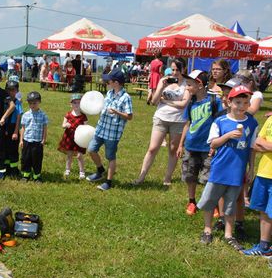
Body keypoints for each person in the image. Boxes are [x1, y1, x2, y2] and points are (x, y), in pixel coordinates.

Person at [196, 85, 258, 248]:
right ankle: (207, 229)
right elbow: (213, 143)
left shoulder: (252, 123)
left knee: (231, 203)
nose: (242, 106)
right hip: (219, 169)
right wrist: (229, 135)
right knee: (210, 200)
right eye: (238, 102)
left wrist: (251, 168)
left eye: (246, 103)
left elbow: (252, 148)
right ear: (229, 102)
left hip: (237, 171)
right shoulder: (220, 121)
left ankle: (229, 234)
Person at [134, 58, 190, 186]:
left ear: (184, 69)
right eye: (173, 69)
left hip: (178, 121)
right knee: (152, 148)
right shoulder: (163, 80)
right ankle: (141, 176)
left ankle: (167, 178)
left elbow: (183, 104)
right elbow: (154, 101)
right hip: (161, 118)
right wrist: (161, 88)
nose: (174, 73)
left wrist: (165, 101)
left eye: (177, 70)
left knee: (172, 149)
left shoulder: (187, 84)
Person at [176, 70, 221, 216]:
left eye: (189, 85)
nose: (187, 87)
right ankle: (191, 201)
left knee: (209, 177)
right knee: (190, 176)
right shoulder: (191, 103)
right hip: (191, 146)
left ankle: (212, 202)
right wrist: (181, 144)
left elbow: (221, 122)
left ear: (199, 85)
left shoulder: (215, 102)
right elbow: (187, 124)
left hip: (208, 147)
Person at [86, 67, 133, 191]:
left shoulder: (125, 97)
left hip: (112, 133)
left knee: (110, 157)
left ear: (116, 83)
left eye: (109, 81)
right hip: (101, 128)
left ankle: (108, 182)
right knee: (91, 149)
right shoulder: (109, 93)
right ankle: (100, 170)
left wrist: (117, 112)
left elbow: (129, 116)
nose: (107, 83)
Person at [243, 108, 272, 257]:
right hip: (264, 172)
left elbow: (263, 144)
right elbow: (257, 142)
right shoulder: (270, 119)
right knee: (264, 211)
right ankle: (264, 246)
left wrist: (266, 146)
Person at [19, 91, 49, 182]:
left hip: (37, 142)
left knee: (37, 160)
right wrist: (21, 140)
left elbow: (45, 128)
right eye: (30, 103)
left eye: (35, 103)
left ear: (39, 102)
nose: (32, 105)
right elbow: (23, 128)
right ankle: (26, 175)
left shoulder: (43, 115)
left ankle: (37, 176)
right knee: (26, 158)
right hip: (27, 140)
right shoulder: (25, 115)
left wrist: (43, 139)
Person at [58, 94, 88, 180]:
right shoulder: (68, 115)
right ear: (71, 104)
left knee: (79, 155)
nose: (76, 105)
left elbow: (86, 127)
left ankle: (82, 171)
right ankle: (67, 169)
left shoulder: (83, 116)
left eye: (79, 103)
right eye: (74, 103)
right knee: (69, 154)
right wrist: (65, 125)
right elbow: (63, 125)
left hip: (80, 138)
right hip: (69, 137)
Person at [4, 80, 22, 177]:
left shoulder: (17, 103)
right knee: (5, 148)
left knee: (13, 149)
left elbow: (18, 117)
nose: (11, 92)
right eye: (9, 90)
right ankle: (6, 167)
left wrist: (16, 131)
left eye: (13, 90)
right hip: (4, 127)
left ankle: (14, 169)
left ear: (17, 91)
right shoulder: (4, 101)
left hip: (13, 126)